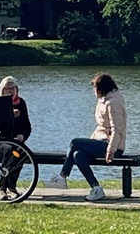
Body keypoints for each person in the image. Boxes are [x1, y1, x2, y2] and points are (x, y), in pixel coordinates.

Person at [47, 72, 126, 201]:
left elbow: (117, 129)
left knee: (75, 142)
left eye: (95, 87)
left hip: (112, 147)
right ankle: (96, 188)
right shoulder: (104, 101)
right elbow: (101, 127)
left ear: (102, 88)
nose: (93, 90)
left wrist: (111, 150)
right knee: (78, 155)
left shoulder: (113, 103)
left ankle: (62, 177)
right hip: (101, 142)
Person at [0, 75, 32, 201]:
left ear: (17, 89)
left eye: (12, 88)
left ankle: (11, 184)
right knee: (9, 151)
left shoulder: (21, 103)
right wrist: (9, 116)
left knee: (22, 153)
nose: (10, 91)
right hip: (0, 140)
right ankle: (1, 188)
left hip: (16, 141)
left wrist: (23, 136)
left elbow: (27, 126)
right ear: (2, 90)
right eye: (7, 88)